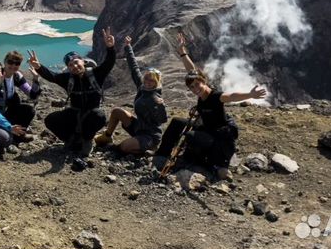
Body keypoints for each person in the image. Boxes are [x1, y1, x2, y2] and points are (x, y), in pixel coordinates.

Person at [157, 33, 267, 179]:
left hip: (218, 138)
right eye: (192, 87)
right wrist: (182, 52)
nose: (195, 88)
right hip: (207, 129)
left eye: (197, 85)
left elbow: (232, 96)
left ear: (204, 81)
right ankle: (162, 154)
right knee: (177, 122)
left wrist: (250, 95)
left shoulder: (215, 96)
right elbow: (192, 71)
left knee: (190, 135)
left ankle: (197, 161)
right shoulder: (201, 92)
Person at [28, 27, 117, 158]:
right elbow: (52, 76)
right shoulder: (67, 79)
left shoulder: (96, 74)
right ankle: (71, 139)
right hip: (74, 113)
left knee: (99, 116)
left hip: (91, 114)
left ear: (83, 61)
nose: (74, 66)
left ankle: (87, 140)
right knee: (50, 119)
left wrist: (110, 48)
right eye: (70, 65)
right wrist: (39, 67)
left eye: (76, 62)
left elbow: (109, 63)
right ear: (68, 68)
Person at [94, 35, 168, 154]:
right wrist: (128, 47)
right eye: (147, 78)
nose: (148, 82)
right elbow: (134, 67)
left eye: (152, 80)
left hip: (150, 135)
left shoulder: (156, 99)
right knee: (117, 111)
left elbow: (163, 119)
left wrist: (160, 107)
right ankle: (107, 136)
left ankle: (149, 149)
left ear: (157, 82)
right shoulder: (142, 86)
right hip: (138, 127)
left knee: (123, 147)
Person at [0, 50, 41, 143]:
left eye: (17, 63)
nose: (13, 66)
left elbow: (32, 95)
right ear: (5, 62)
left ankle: (19, 136)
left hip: (8, 110)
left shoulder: (16, 75)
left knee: (29, 111)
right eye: (10, 62)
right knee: (4, 138)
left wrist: (35, 79)